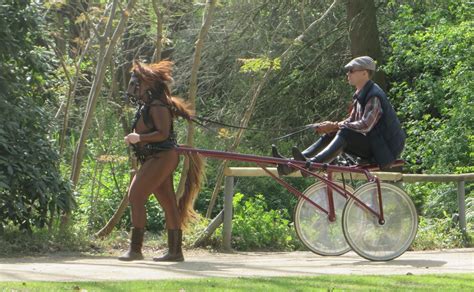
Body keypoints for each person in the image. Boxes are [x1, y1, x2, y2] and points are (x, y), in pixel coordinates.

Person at [119, 60, 203, 262]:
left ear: (144, 84)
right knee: (168, 202)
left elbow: (162, 133)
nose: (131, 90)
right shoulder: (148, 105)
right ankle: (175, 252)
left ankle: (136, 249)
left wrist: (139, 138)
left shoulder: (157, 105)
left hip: (161, 158)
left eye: (133, 85)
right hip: (155, 158)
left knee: (136, 195)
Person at [273, 56, 405, 175]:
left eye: (352, 71)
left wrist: (336, 126)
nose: (348, 74)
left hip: (384, 153)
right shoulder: (361, 94)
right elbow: (351, 120)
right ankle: (292, 164)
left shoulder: (373, 96)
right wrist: (331, 127)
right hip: (375, 145)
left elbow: (365, 125)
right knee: (332, 133)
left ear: (364, 73)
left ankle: (312, 165)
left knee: (344, 132)